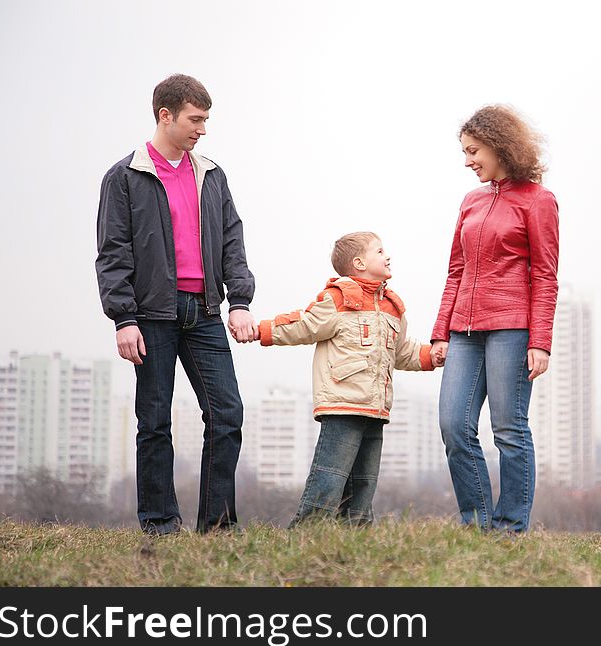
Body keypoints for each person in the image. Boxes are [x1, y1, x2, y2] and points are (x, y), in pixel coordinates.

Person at [95, 74, 258, 535]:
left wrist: (239, 301)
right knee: (154, 421)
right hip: (150, 317)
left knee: (227, 414)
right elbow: (113, 251)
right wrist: (123, 318)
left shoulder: (211, 174)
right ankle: (161, 523)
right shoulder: (124, 178)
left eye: (205, 120)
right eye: (195, 119)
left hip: (205, 313)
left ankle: (218, 525)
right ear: (165, 115)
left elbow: (231, 238)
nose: (202, 129)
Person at [429, 105, 559, 533]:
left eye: (473, 151)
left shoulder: (539, 201)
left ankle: (510, 529)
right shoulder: (471, 201)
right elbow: (455, 270)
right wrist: (440, 333)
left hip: (512, 328)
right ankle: (477, 523)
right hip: (464, 331)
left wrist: (540, 341)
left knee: (508, 429)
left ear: (500, 146)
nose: (467, 161)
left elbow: (544, 275)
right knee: (453, 424)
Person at [256, 232, 436, 526]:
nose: (387, 256)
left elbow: (402, 352)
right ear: (359, 263)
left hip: (376, 408)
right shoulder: (338, 299)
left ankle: (356, 532)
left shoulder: (393, 308)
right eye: (380, 251)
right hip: (342, 404)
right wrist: (262, 330)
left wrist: (431, 356)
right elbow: (303, 324)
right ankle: (308, 530)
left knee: (364, 480)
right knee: (330, 475)